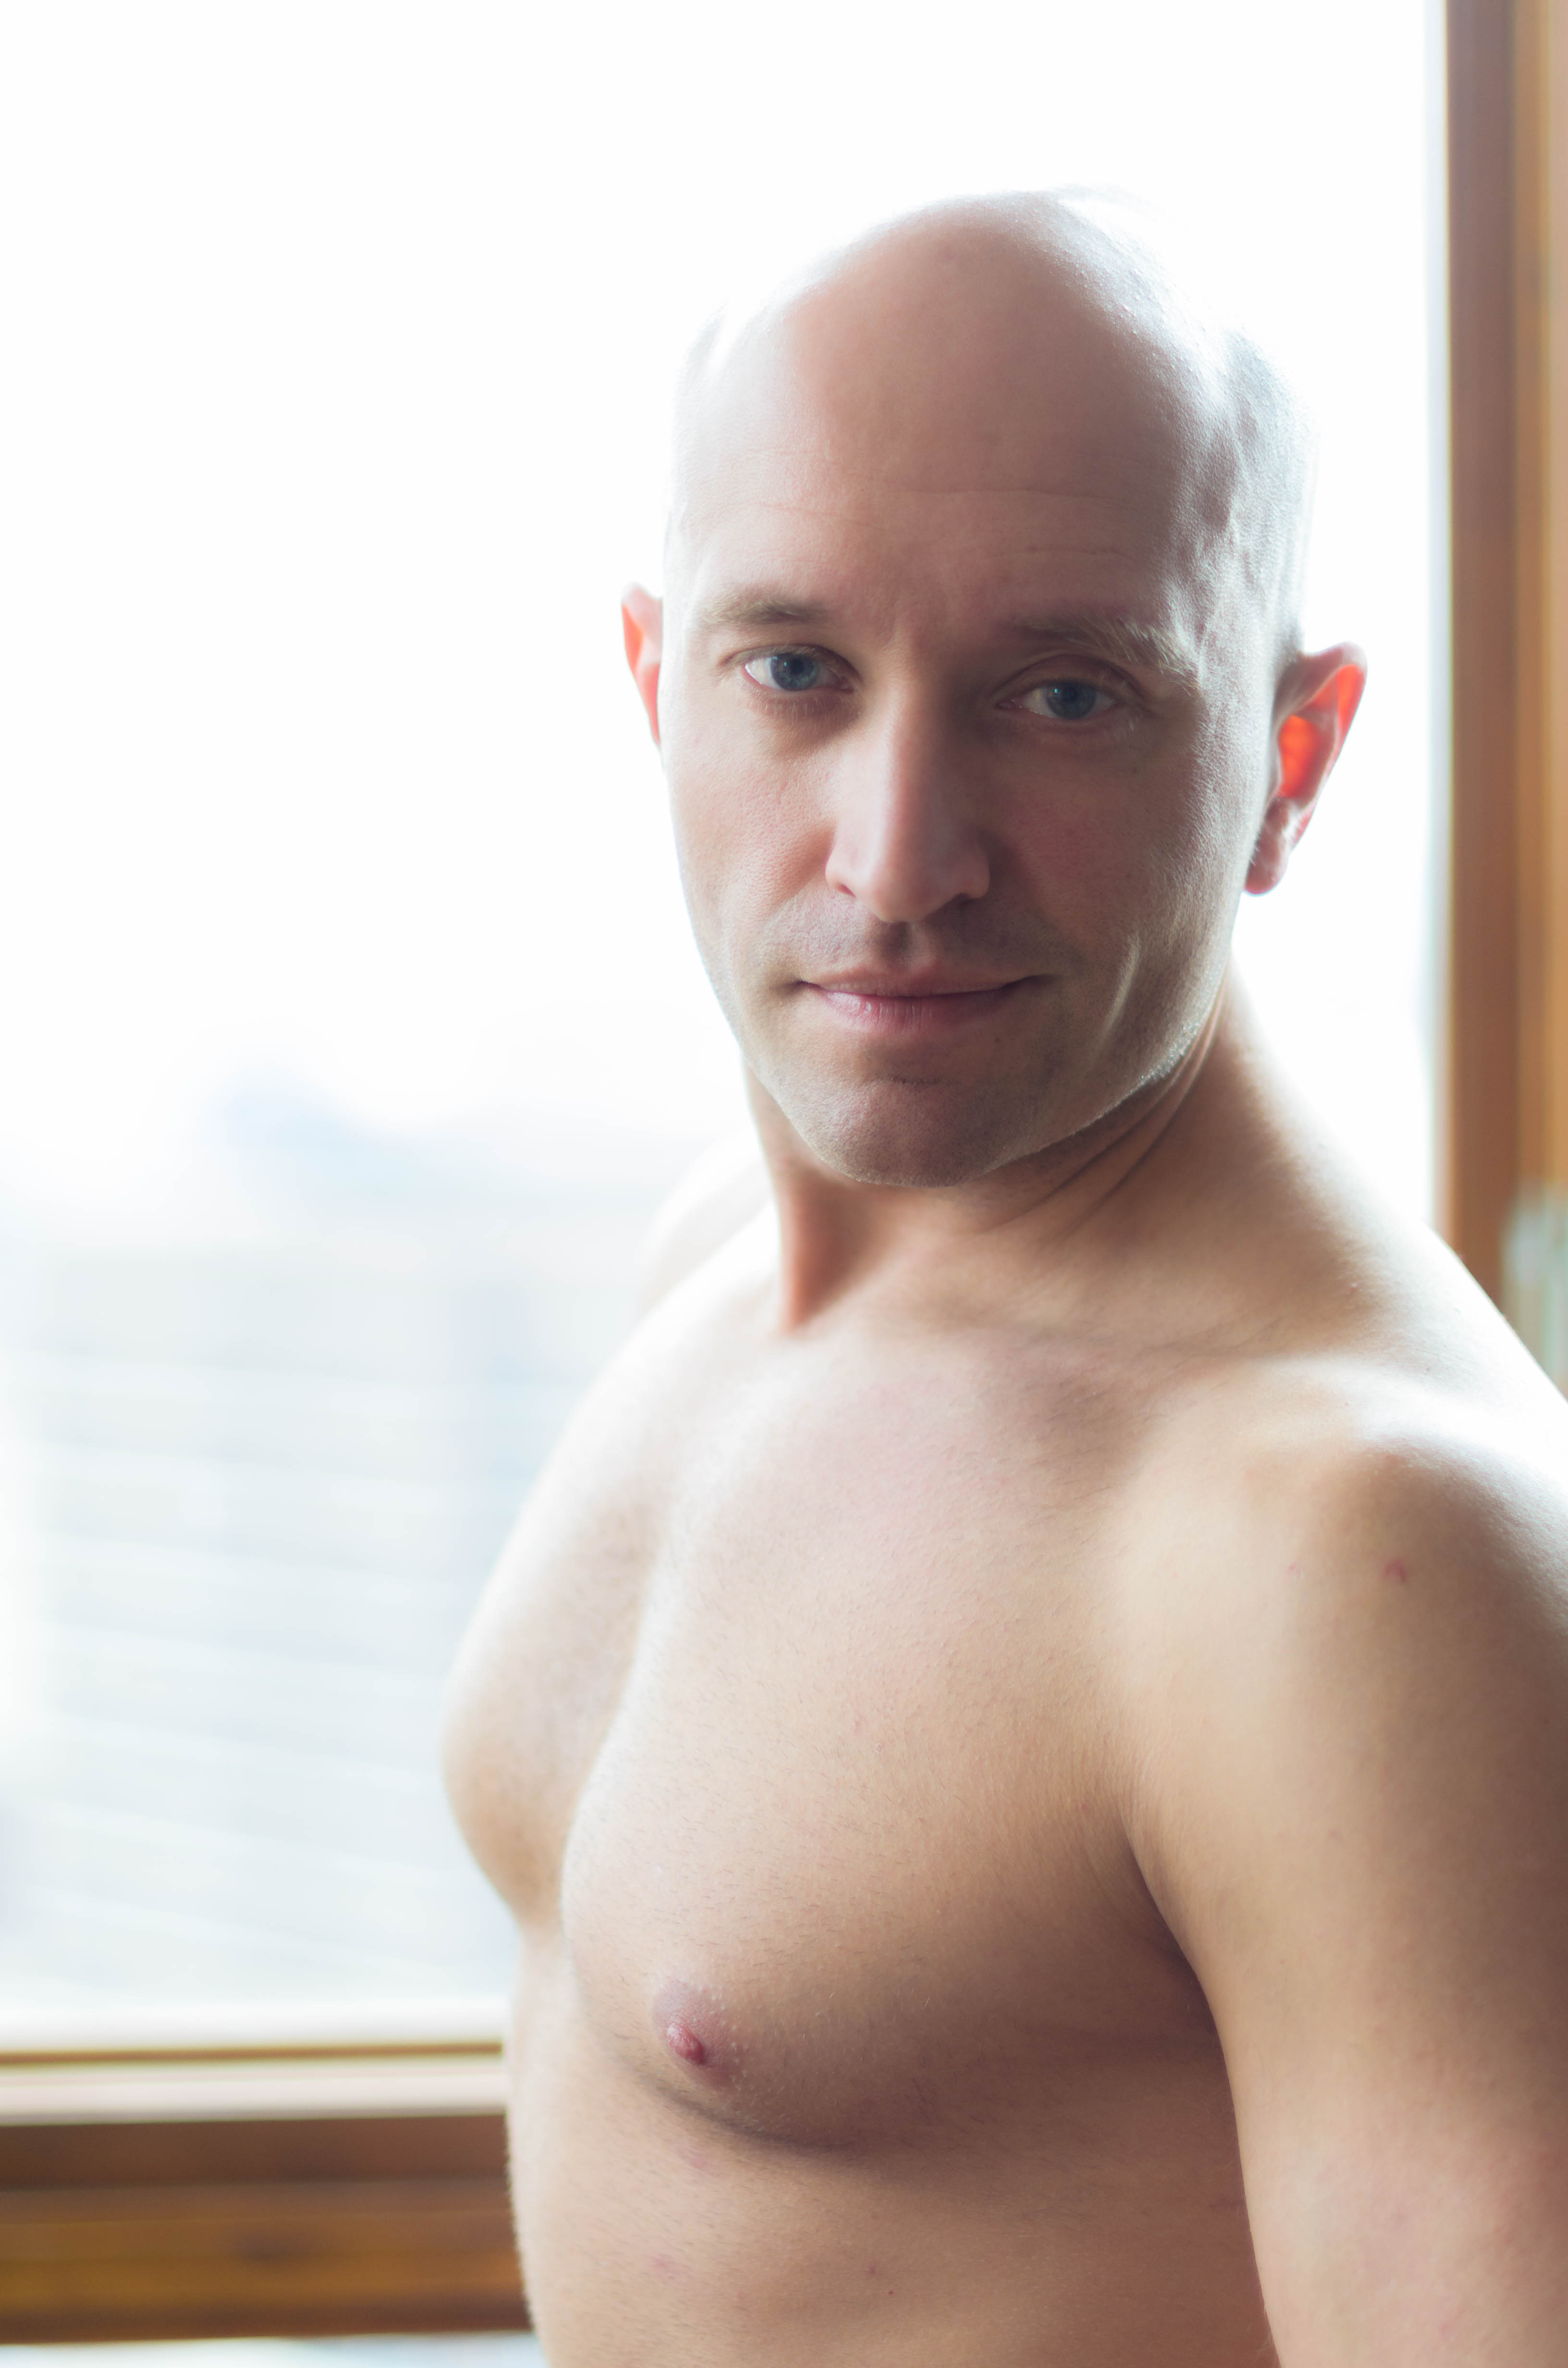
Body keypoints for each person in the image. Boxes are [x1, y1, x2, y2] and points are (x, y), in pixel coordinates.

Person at [443, 193, 1568, 2365]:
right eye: (797, 671)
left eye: (1065, 695)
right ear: (659, 684)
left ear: (1290, 763)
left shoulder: (1356, 1553)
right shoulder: (723, 1252)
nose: (898, 859)